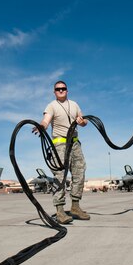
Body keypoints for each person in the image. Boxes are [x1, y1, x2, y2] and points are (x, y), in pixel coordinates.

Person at [32, 80, 90, 224]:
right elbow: (46, 120)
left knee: (79, 173)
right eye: (58, 89)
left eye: (63, 88)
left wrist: (81, 121)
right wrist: (41, 126)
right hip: (60, 146)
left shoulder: (75, 104)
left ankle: (75, 207)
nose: (61, 91)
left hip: (75, 144)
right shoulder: (52, 106)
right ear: (54, 92)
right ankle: (60, 211)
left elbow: (84, 122)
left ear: (67, 90)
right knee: (60, 177)